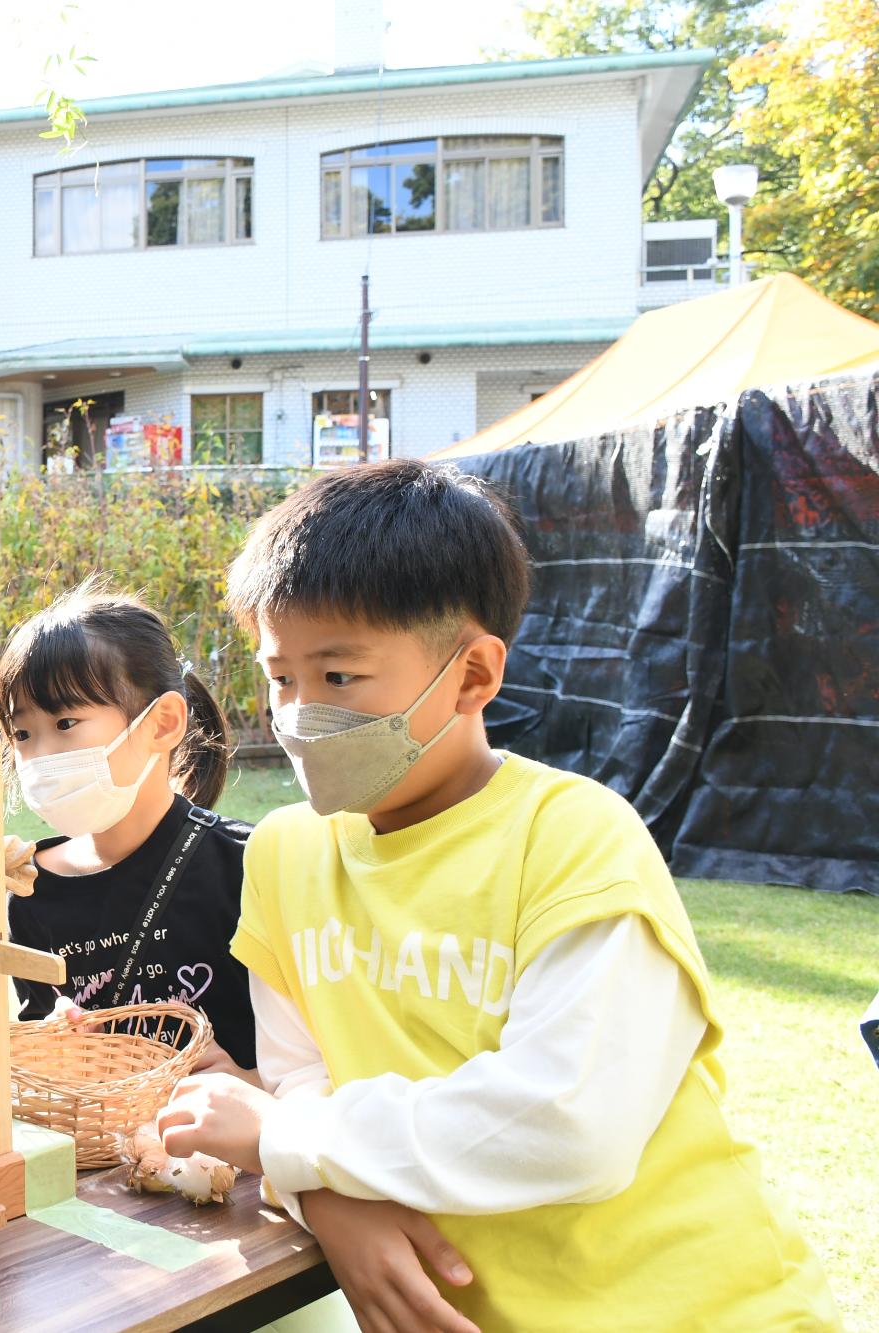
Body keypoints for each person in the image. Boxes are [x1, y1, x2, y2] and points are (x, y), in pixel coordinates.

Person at [155, 460, 841, 1332]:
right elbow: (301, 1079)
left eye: (339, 677)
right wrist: (328, 1199)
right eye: (281, 677)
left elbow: (566, 1121)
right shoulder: (287, 853)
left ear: (473, 675)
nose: (297, 714)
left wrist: (289, 1149)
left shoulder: (576, 837)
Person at [0, 579, 255, 1080]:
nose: (40, 755)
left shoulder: (246, 865)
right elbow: (45, 1059)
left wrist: (251, 1083)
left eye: (66, 723)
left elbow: (309, 1055)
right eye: (23, 734)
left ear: (162, 724)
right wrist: (52, 1044)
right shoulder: (28, 892)